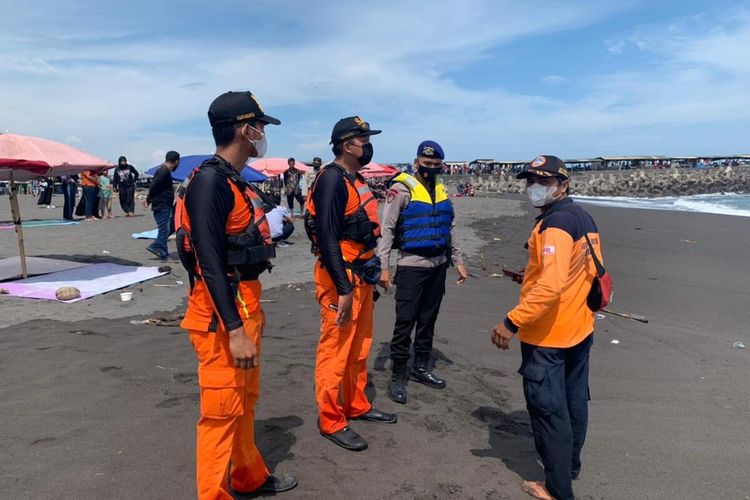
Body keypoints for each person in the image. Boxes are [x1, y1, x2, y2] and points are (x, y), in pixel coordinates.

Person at [175, 91, 297, 499]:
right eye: (259, 127)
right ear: (246, 129)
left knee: (244, 401)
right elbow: (209, 263)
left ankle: (248, 475)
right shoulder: (211, 182)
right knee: (221, 412)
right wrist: (234, 330)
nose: (262, 134)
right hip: (221, 313)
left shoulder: (231, 179)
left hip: (245, 301)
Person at [491, 155, 603, 500]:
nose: (533, 188)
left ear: (562, 185)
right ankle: (569, 466)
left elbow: (552, 286)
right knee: (574, 401)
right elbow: (572, 272)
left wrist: (512, 321)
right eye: (530, 181)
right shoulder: (581, 216)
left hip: (550, 334)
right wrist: (530, 276)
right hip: (579, 326)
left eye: (542, 182)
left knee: (548, 410)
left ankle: (557, 489)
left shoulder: (555, 224)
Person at [305, 116, 396, 452]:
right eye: (363, 139)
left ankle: (355, 403)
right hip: (340, 279)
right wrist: (343, 288)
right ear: (347, 144)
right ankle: (330, 418)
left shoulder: (353, 179)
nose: (368, 145)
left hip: (362, 276)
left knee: (360, 346)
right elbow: (327, 238)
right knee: (335, 350)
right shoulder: (330, 180)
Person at [377, 141, 468, 405]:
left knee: (428, 320)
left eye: (435, 165)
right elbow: (388, 229)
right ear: (416, 162)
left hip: (438, 265)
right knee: (405, 321)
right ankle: (398, 375)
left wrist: (458, 260)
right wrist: (383, 266)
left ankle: (421, 367)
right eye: (426, 164)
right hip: (411, 266)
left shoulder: (441, 188)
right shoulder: (400, 190)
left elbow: (450, 226)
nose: (430, 169)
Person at [144, 151, 180, 261]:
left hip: (163, 204)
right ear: (176, 161)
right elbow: (154, 185)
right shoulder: (163, 171)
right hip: (162, 205)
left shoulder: (163, 171)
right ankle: (163, 254)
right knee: (164, 230)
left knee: (166, 229)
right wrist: (148, 199)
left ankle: (154, 246)